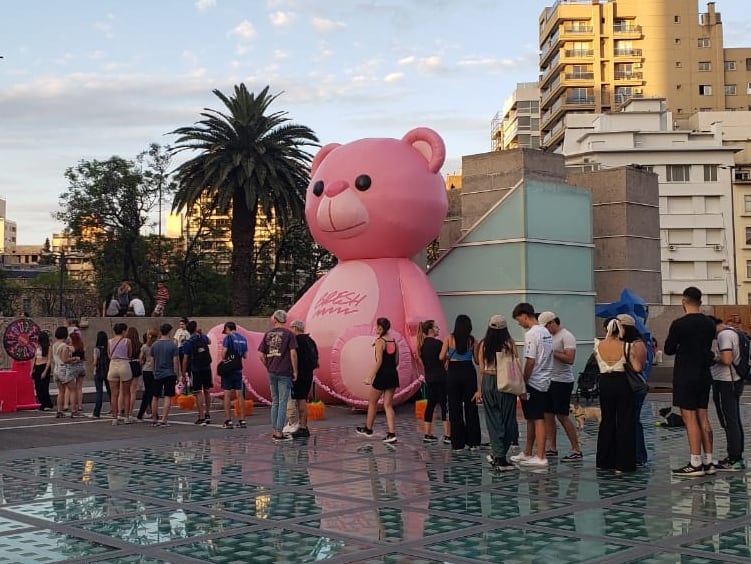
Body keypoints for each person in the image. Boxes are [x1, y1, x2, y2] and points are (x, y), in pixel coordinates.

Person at [664, 286, 716, 477]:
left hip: (685, 374)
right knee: (703, 416)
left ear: (683, 302)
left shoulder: (679, 324)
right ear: (700, 302)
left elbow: (669, 348)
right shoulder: (709, 324)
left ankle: (695, 462)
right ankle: (709, 461)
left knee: (689, 417)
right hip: (704, 374)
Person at [593, 315, 646, 474]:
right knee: (624, 421)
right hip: (622, 382)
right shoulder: (627, 346)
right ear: (621, 329)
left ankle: (604, 461)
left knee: (607, 420)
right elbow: (637, 368)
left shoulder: (597, 345)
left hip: (605, 382)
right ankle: (622, 465)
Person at [510, 303, 553, 468]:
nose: (519, 323)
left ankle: (541, 456)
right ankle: (528, 451)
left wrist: (523, 381)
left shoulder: (532, 334)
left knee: (538, 418)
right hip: (545, 378)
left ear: (524, 315)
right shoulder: (545, 332)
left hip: (534, 380)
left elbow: (530, 360)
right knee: (531, 418)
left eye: (518, 319)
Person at [538, 311, 582, 462]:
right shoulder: (546, 336)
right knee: (548, 415)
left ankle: (576, 448)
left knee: (562, 415)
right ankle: (552, 447)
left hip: (562, 381)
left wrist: (552, 353)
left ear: (552, 322)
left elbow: (570, 359)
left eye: (546, 326)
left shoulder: (566, 336)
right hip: (547, 380)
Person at [477, 315, 519, 471]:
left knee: (493, 420)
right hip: (506, 383)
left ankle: (497, 455)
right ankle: (500, 457)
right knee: (509, 420)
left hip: (488, 381)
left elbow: (481, 369)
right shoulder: (509, 344)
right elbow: (515, 364)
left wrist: (480, 388)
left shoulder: (483, 344)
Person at [709, 317, 746, 471]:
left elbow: (727, 359)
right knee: (734, 419)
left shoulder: (724, 336)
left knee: (728, 420)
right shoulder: (736, 333)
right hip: (735, 380)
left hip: (725, 381)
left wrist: (712, 358)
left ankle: (734, 458)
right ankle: (736, 456)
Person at [439, 314, 481, 451]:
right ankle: (473, 441)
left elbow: (441, 356)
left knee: (454, 407)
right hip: (468, 372)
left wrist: (450, 355)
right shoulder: (472, 340)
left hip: (453, 373)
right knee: (471, 406)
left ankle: (457, 443)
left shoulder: (449, 338)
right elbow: (477, 361)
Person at [357, 317, 399, 443]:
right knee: (388, 405)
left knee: (372, 402)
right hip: (393, 374)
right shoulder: (394, 341)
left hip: (382, 375)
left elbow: (379, 361)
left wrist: (369, 377)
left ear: (381, 328)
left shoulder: (380, 342)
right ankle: (391, 434)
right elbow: (397, 361)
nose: (376, 329)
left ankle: (368, 429)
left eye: (378, 327)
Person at [617, 313, 651, 466]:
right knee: (630, 420)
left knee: (634, 420)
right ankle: (633, 454)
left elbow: (638, 367)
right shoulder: (630, 343)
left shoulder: (636, 344)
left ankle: (639, 456)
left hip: (635, 386)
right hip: (630, 385)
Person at [259, 310, 298, 441]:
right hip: (284, 371)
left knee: (275, 401)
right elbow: (293, 353)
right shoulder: (289, 334)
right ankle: (279, 432)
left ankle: (274, 429)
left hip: (272, 371)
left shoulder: (267, 334)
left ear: (275, 319)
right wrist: (295, 370)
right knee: (282, 402)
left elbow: (261, 355)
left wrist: (268, 366)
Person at [417, 320, 450, 445]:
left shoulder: (422, 345)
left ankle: (428, 433)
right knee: (444, 404)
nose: (438, 329)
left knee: (430, 404)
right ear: (430, 330)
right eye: (436, 327)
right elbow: (445, 357)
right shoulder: (438, 344)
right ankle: (447, 434)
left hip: (429, 378)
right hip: (441, 377)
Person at [285, 320, 318, 439]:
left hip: (299, 374)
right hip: (308, 374)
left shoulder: (296, 341)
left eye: (291, 328)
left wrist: (294, 372)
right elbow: (316, 360)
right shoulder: (310, 341)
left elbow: (293, 356)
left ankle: (303, 427)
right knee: (302, 399)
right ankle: (303, 425)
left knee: (300, 400)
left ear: (295, 328)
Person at [182, 320, 213, 425]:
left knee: (198, 392)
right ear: (195, 328)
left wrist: (183, 373)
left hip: (196, 369)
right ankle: (208, 413)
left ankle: (201, 416)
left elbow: (185, 360)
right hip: (207, 367)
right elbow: (209, 341)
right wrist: (201, 333)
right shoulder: (202, 337)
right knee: (207, 390)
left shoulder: (188, 343)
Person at [149, 323, 180, 427]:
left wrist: (154, 371)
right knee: (168, 396)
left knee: (155, 396)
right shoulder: (173, 345)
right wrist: (177, 374)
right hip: (169, 373)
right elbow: (175, 361)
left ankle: (154, 419)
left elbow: (152, 360)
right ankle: (164, 419)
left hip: (157, 373)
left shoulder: (154, 345)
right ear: (169, 332)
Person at [221, 321, 249, 429]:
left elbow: (224, 352)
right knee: (239, 394)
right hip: (238, 368)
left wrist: (224, 361)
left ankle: (228, 420)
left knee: (227, 394)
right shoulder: (243, 339)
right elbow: (245, 355)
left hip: (228, 369)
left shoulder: (228, 338)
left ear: (228, 328)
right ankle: (242, 420)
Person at [107, 322, 133, 425]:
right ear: (123, 331)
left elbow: (109, 355)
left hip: (113, 365)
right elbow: (129, 354)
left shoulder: (109, 341)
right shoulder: (127, 341)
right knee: (126, 393)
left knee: (114, 394)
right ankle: (126, 417)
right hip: (124, 364)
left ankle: (114, 418)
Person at [51, 326, 80, 419]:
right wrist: (74, 358)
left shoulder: (54, 345)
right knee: (73, 389)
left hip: (56, 369)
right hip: (64, 370)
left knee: (61, 391)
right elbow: (65, 359)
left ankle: (59, 411)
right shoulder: (64, 346)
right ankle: (73, 411)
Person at [137, 328, 158, 421]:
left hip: (146, 369)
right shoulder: (156, 346)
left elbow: (141, 359)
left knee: (147, 391)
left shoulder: (145, 347)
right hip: (154, 369)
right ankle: (154, 413)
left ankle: (141, 413)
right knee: (151, 392)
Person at [91, 330, 110, 419]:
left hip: (98, 371)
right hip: (107, 370)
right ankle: (114, 408)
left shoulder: (96, 349)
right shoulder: (108, 347)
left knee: (99, 392)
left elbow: (95, 362)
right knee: (110, 391)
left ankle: (96, 412)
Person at [32, 331, 53, 411]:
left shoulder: (48, 347)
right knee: (37, 386)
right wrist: (32, 369)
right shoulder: (37, 346)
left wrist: (45, 371)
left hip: (44, 366)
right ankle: (42, 402)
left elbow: (49, 360)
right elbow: (35, 358)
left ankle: (46, 403)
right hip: (37, 366)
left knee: (44, 386)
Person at [125, 326, 142, 417]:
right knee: (133, 391)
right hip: (136, 364)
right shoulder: (140, 344)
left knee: (125, 390)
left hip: (128, 364)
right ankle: (131, 411)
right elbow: (140, 358)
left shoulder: (126, 343)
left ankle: (124, 410)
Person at [69, 332, 86, 417]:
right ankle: (80, 405)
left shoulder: (71, 348)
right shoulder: (82, 346)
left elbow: (70, 360)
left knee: (73, 388)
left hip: (74, 368)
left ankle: (74, 405)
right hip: (82, 367)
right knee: (79, 387)